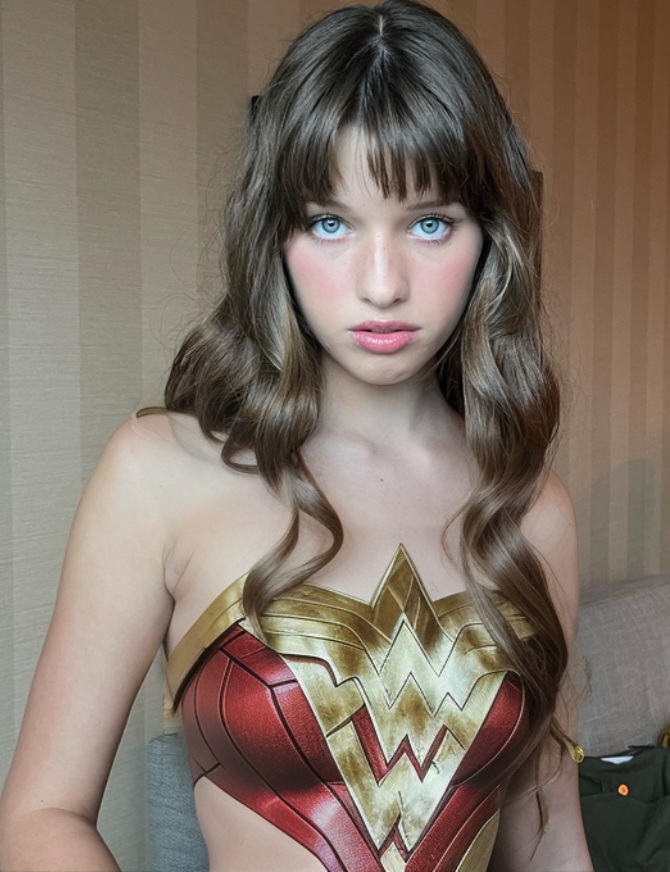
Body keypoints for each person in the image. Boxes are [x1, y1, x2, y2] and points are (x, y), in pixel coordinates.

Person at [0, 1, 594, 870]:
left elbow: (548, 838)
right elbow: (41, 814)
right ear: (273, 234)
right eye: (330, 221)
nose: (382, 284)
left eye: (430, 222)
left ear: (489, 239)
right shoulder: (161, 474)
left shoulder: (532, 507)